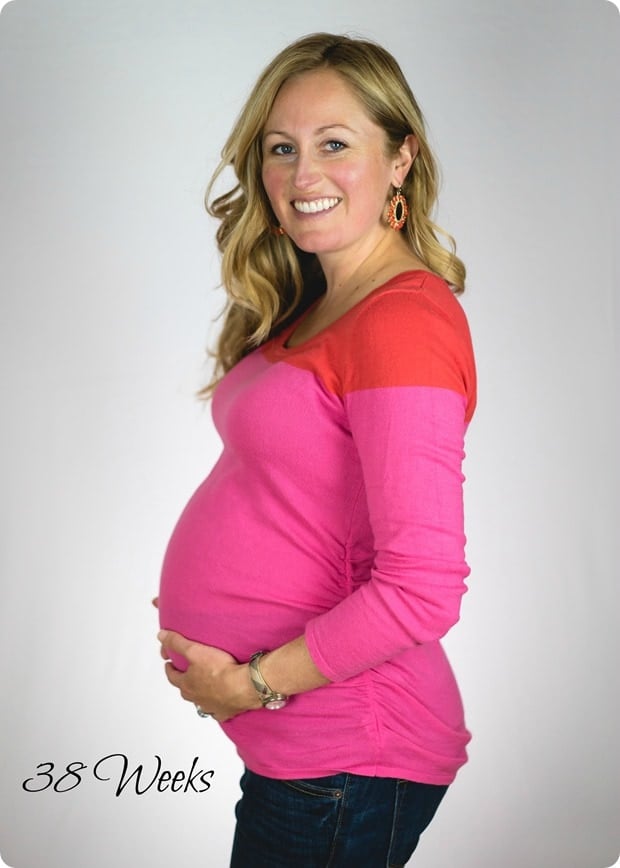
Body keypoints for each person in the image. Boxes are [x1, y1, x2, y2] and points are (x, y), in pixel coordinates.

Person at [156, 31, 476, 868]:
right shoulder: (324, 307)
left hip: (351, 750)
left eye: (335, 144)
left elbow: (422, 589)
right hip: (314, 757)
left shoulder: (401, 320)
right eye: (281, 149)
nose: (303, 176)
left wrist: (250, 681)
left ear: (401, 158)